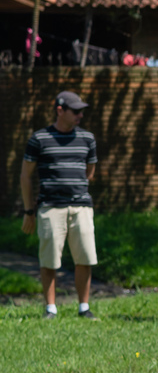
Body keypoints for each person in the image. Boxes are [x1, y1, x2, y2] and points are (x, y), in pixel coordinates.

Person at [20, 91, 100, 320]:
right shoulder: (39, 139)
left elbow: (89, 173)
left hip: (81, 207)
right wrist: (29, 210)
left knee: (85, 257)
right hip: (50, 207)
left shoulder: (88, 139)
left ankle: (84, 307)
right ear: (60, 110)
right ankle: (50, 309)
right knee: (49, 260)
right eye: (75, 111)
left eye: (81, 111)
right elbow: (25, 176)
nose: (80, 115)